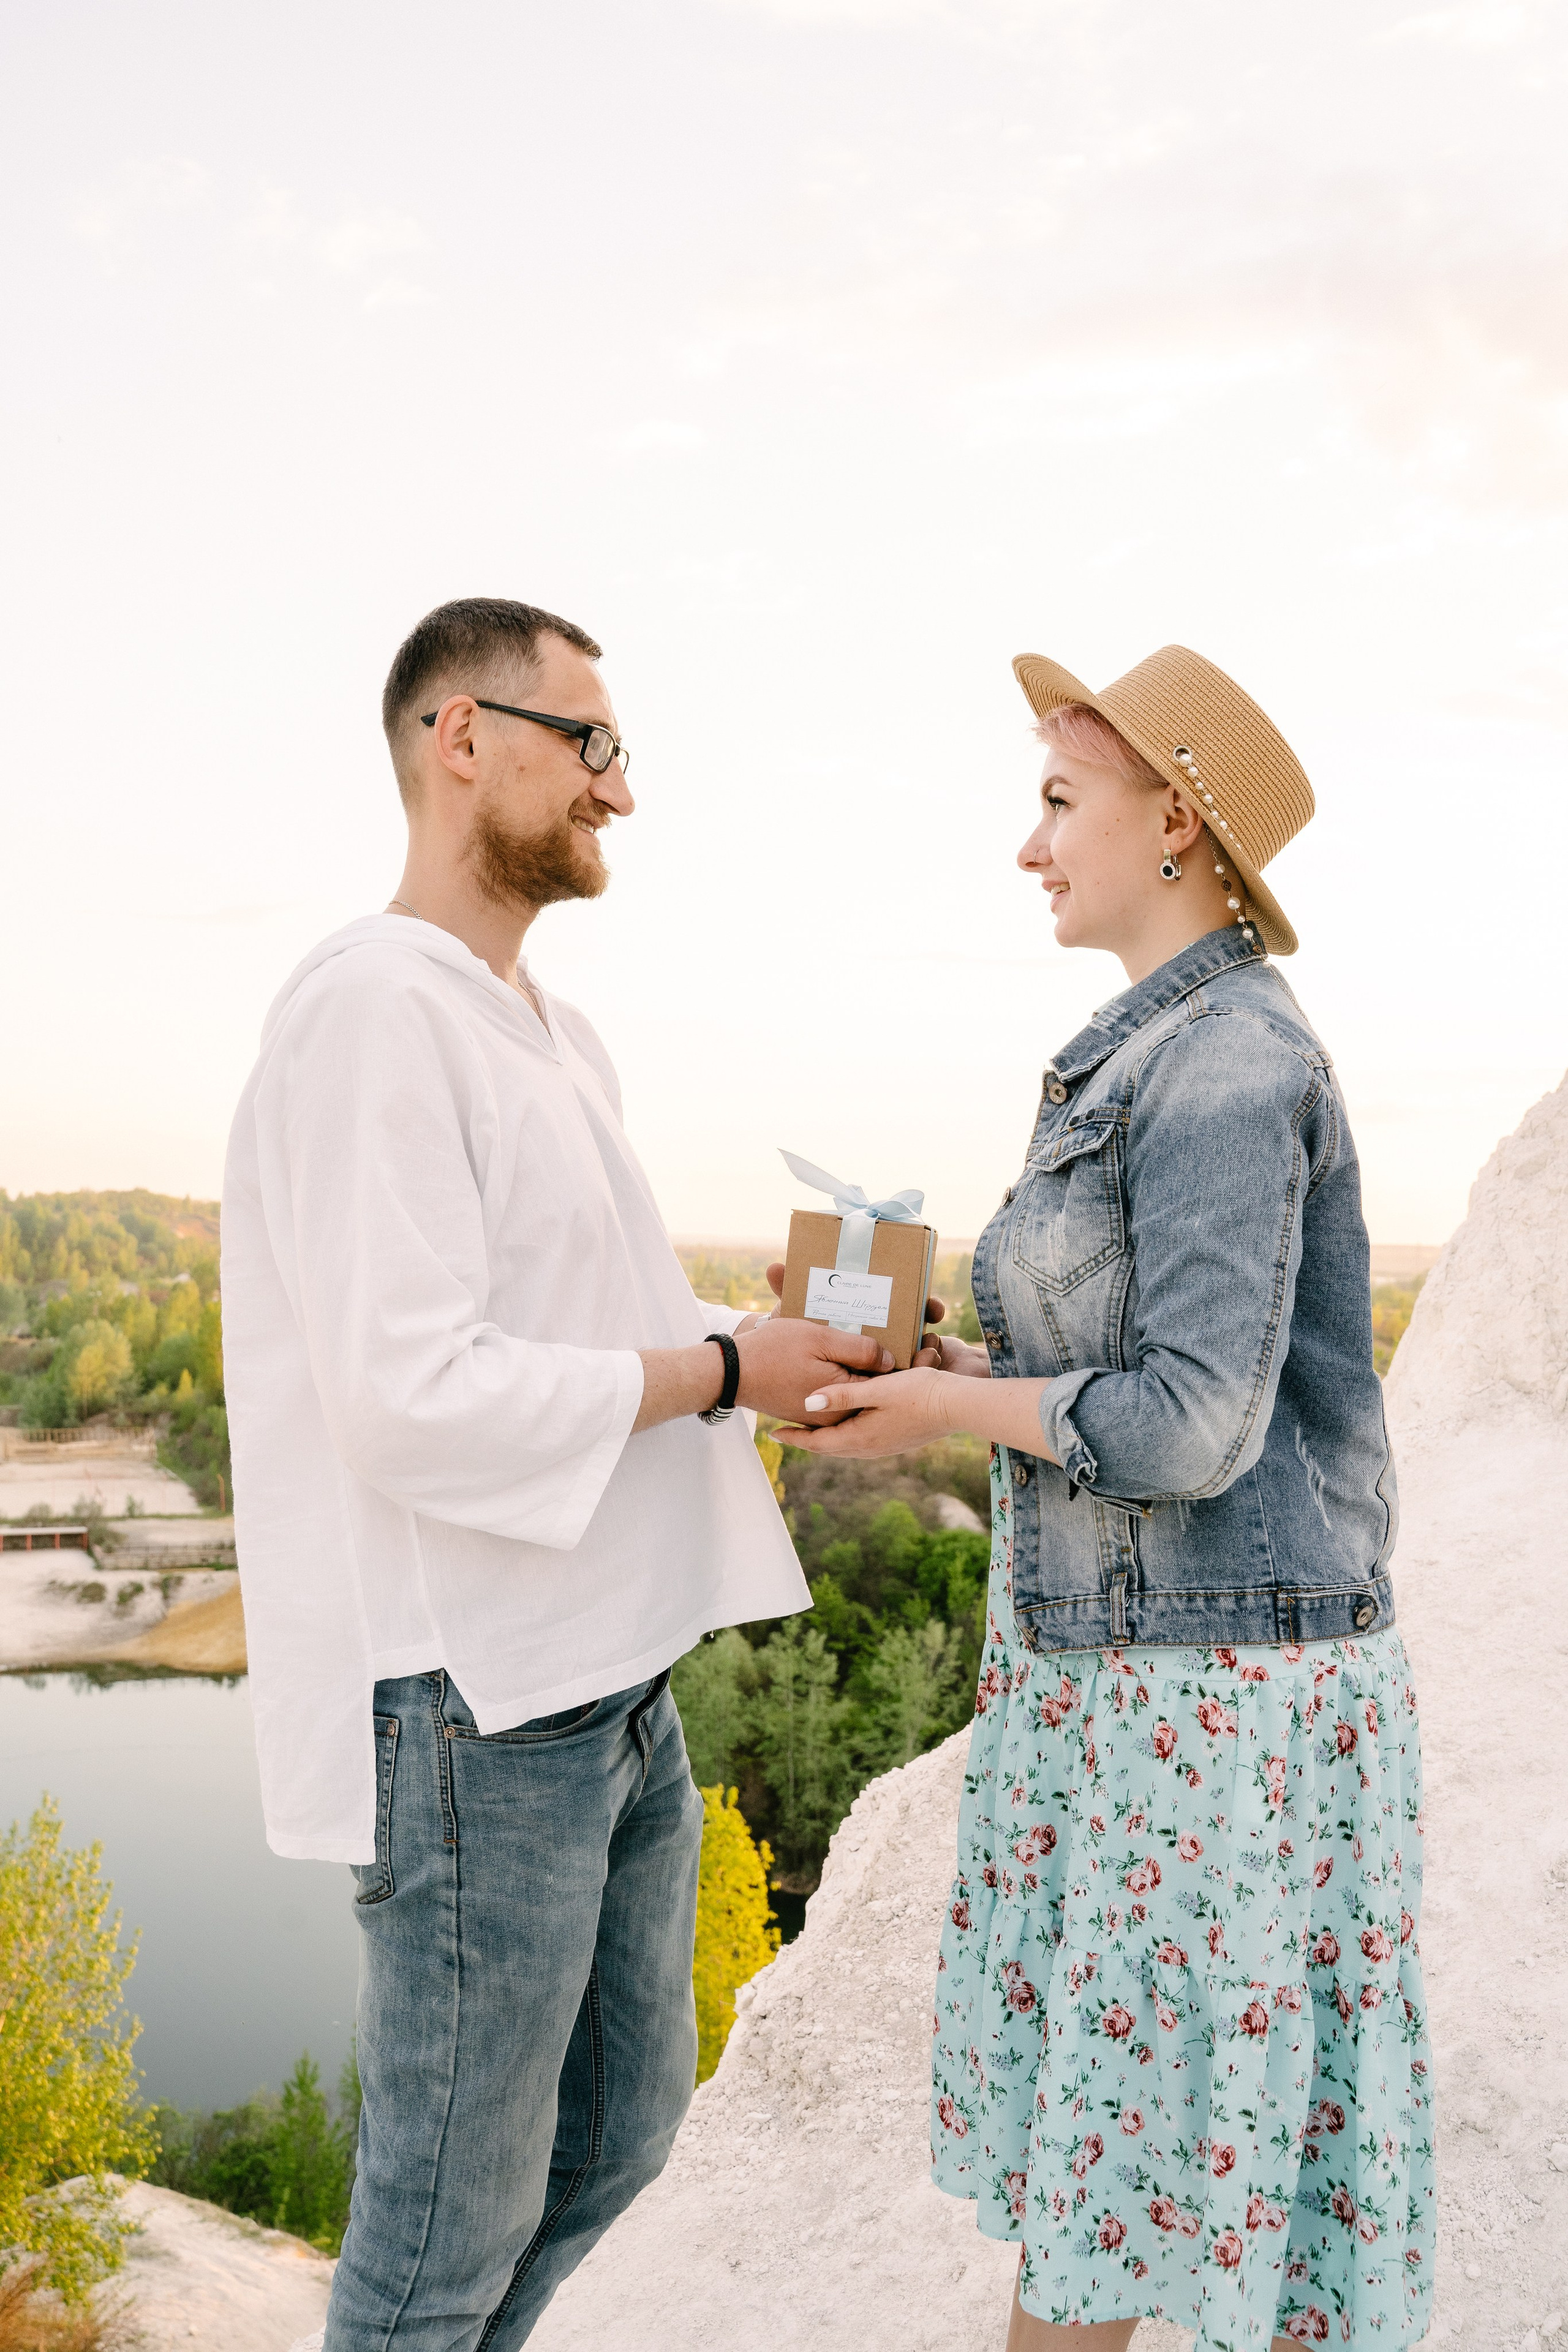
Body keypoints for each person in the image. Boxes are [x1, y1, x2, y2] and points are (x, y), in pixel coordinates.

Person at [222, 597, 905, 2351]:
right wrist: (723, 1371)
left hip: (608, 1690)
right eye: (590, 741)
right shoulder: (375, 1013)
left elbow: (589, 1321)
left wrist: (754, 1347)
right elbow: (409, 1395)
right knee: (436, 2250)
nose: (621, 788)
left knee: (614, 2164)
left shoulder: (546, 1030)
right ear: (464, 737)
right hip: (473, 1709)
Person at [777, 646, 1433, 2352]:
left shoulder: (1224, 1068)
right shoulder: (1150, 1054)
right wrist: (949, 1351)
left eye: (1061, 802)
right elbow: (1115, 1357)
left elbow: (1196, 1424)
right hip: (1140, 1695)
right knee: (1151, 2168)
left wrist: (945, 1406)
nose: (1029, 845)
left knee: (1156, 2184)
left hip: (1213, 1718)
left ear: (1180, 825)